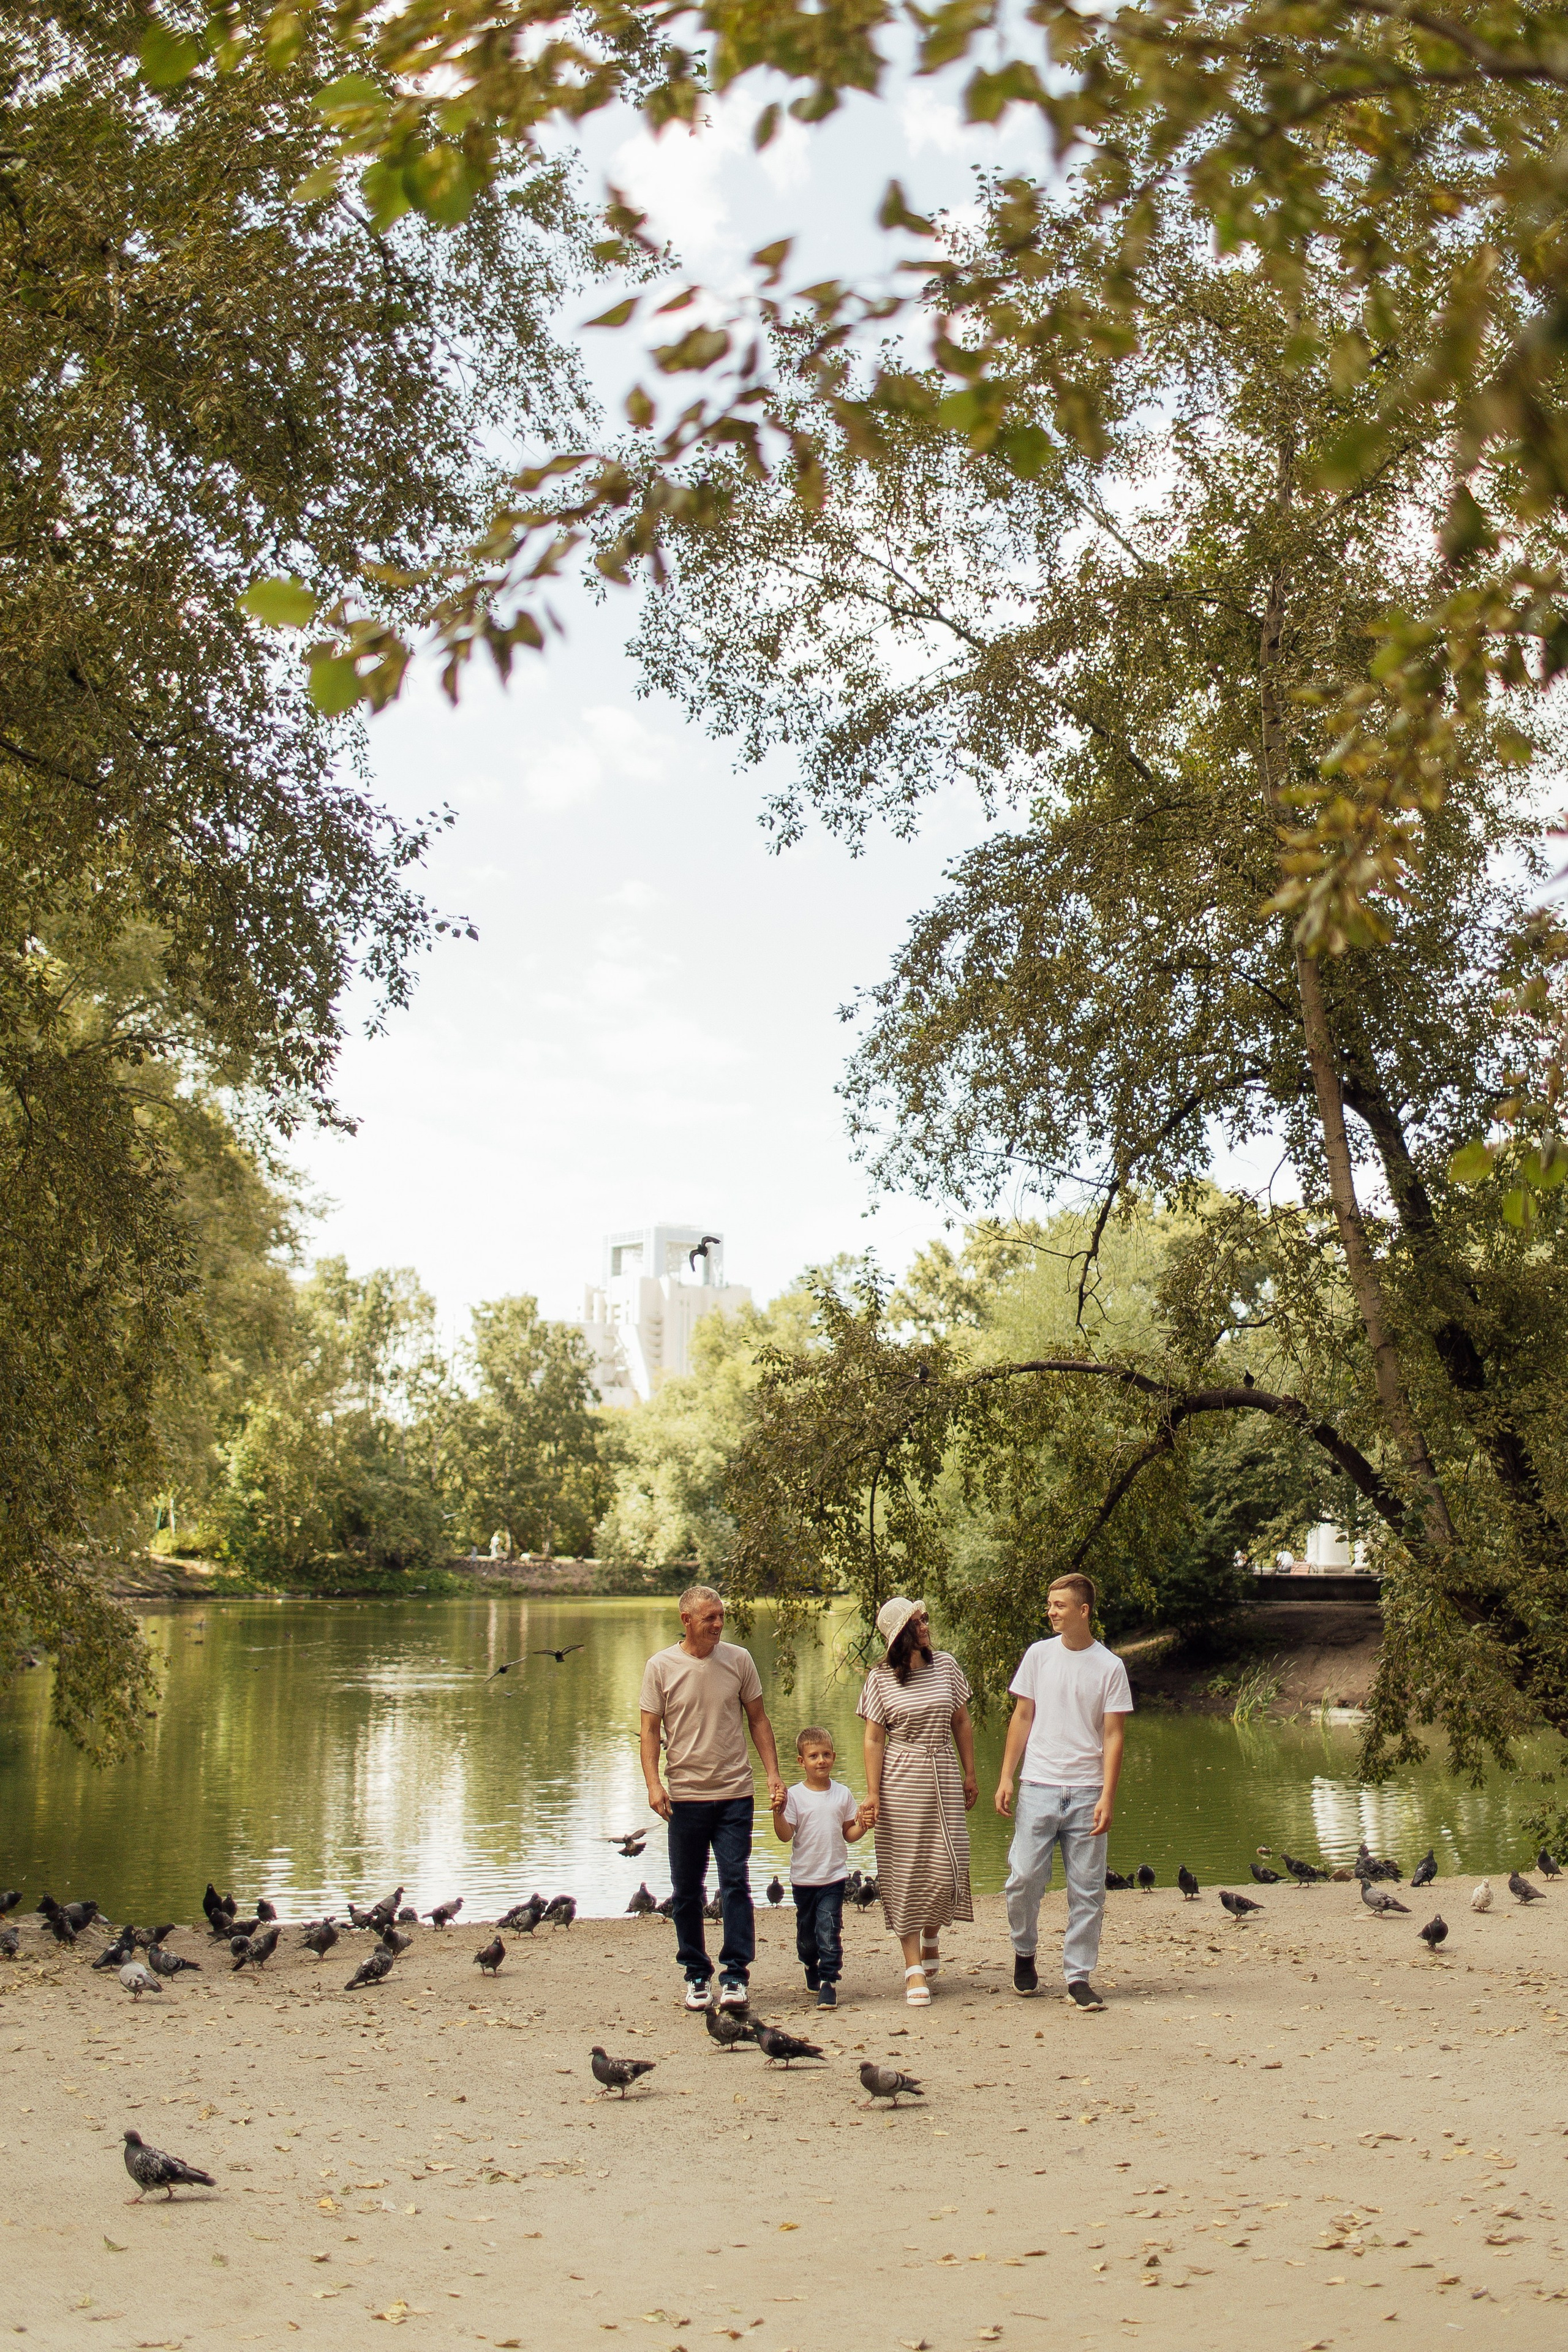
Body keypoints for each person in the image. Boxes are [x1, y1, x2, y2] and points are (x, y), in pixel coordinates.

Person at [639, 1583, 785, 2011]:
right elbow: (649, 1732)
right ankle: (697, 1975)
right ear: (687, 1620)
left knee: (735, 1882)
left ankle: (736, 1975)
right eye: (710, 1618)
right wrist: (653, 1784)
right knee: (687, 1891)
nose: (719, 1624)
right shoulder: (660, 1667)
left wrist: (774, 1775)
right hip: (684, 1798)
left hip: (735, 1793)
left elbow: (758, 1720)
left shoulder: (739, 1660)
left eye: (721, 1616)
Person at [994, 1571, 1133, 2010]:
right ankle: (1024, 1951)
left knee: (1088, 1889)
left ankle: (1078, 1976)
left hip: (1088, 1791)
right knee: (1022, 1879)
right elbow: (1022, 1717)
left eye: (1059, 1605)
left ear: (1083, 1610)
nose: (1051, 1611)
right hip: (1038, 1784)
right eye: (1050, 1604)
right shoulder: (1038, 1656)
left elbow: (1113, 1735)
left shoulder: (1110, 1666)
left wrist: (1108, 1795)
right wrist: (1005, 1777)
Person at [858, 1596, 978, 2007]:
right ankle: (912, 1967)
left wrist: (970, 1772)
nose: (927, 1624)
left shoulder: (946, 1665)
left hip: (942, 1768)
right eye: (919, 1620)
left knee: (948, 1862)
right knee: (905, 1868)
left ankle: (932, 1931)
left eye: (926, 1618)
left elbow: (961, 1720)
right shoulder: (879, 1679)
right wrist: (873, 1793)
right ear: (901, 1633)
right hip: (901, 1776)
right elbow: (874, 1738)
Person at [771, 1726, 872, 2010]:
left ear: (834, 1757)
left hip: (833, 1877)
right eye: (814, 1756)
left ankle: (829, 1981)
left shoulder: (842, 1794)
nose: (821, 1761)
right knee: (807, 1934)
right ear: (801, 1761)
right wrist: (778, 1813)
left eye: (826, 1754)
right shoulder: (794, 1796)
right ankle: (809, 1963)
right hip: (803, 1879)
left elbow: (848, 1834)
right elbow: (784, 1835)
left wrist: (862, 1825)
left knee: (829, 1929)